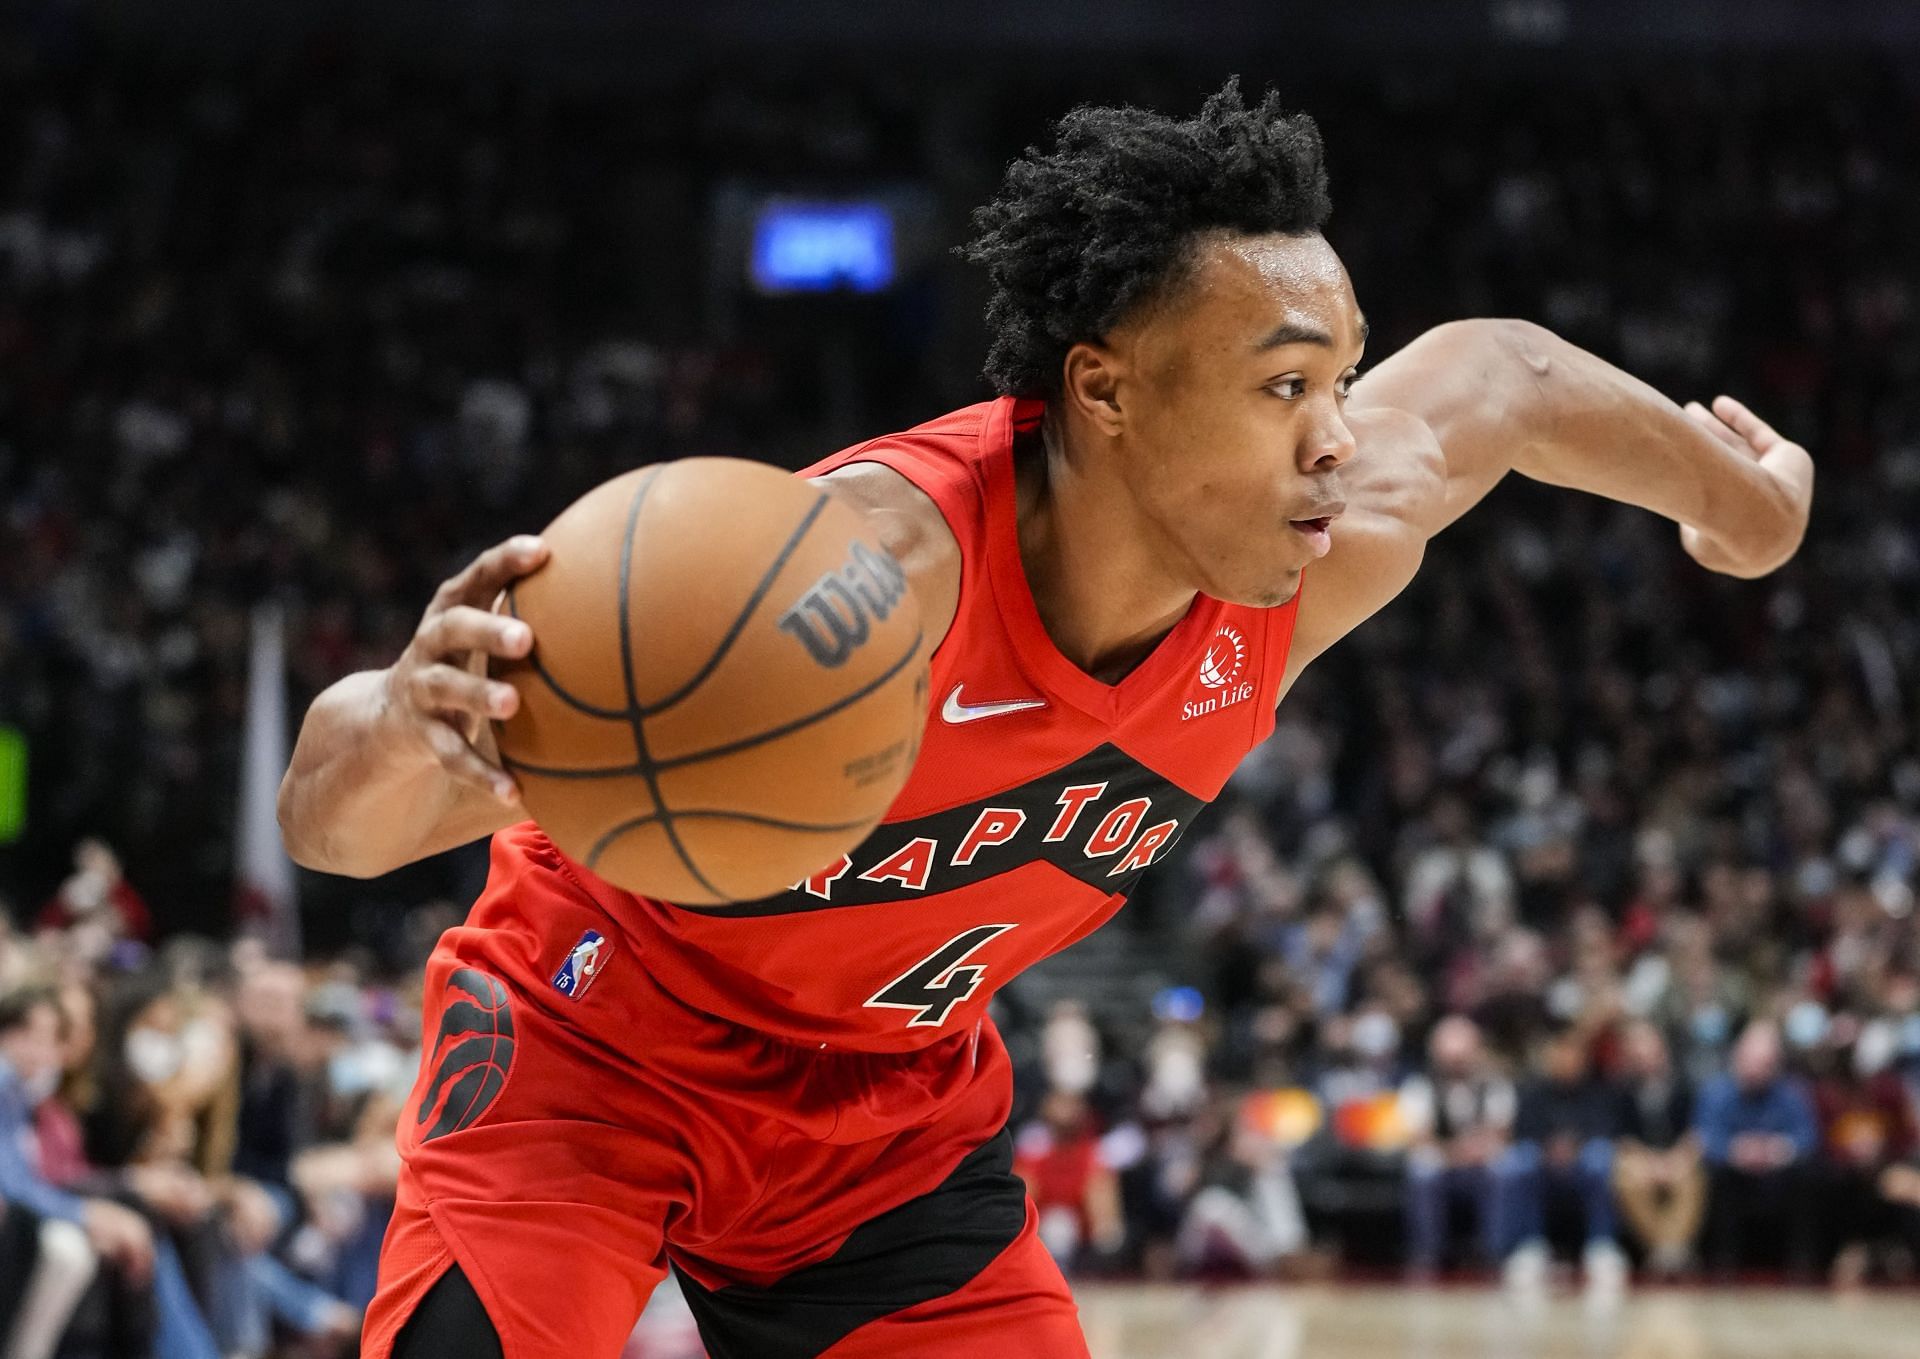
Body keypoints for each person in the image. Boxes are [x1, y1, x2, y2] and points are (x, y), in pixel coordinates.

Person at [278, 82, 1813, 1358]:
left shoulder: (1321, 540)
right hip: (595, 1052)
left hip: (885, 1119)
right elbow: (332, 825)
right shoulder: (857, 584)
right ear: (1108, 390)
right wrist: (417, 713)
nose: (1337, 436)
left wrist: (1745, 504)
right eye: (1286, 386)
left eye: (1340, 376)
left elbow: (1510, 376)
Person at [1497, 1029, 1628, 1293]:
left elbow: (1606, 1130)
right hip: (1542, 1162)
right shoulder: (1532, 1091)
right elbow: (1523, 1131)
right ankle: (1530, 1246)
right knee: (1518, 1161)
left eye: (1573, 1054)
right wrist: (1549, 1148)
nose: (1567, 1060)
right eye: (1561, 1053)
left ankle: (1601, 1246)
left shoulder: (1598, 1090)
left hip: (1583, 1162)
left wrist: (1574, 1147)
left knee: (1601, 1157)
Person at [1695, 1019, 1820, 1277]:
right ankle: (1722, 1261)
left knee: (1811, 1174)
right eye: (1749, 1061)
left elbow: (1808, 1137)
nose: (1754, 1070)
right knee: (1713, 1174)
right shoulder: (1716, 1092)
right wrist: (1736, 1151)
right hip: (1734, 1177)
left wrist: (1778, 1150)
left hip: (1778, 1178)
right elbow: (1705, 1137)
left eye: (1763, 1064)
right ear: (1737, 1058)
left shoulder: (1792, 1093)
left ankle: (1802, 1262)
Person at [1399, 1016, 1516, 1276]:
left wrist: (1475, 1149)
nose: (1456, 1065)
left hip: (1480, 1162)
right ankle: (1427, 1253)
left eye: (1462, 1058)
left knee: (1505, 1168)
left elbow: (1501, 1132)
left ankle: (1494, 1252)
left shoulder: (1494, 1084)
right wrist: (1455, 1152)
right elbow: (1419, 1137)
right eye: (1450, 1059)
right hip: (1443, 1162)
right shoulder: (1420, 1086)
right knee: (1422, 1170)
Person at [1610, 1020, 1704, 1278]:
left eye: (1648, 1046)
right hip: (1640, 1157)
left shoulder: (1685, 1084)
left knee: (1690, 1177)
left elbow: (1694, 1132)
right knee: (1628, 1178)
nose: (1642, 1054)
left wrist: (1674, 1160)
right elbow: (1621, 1137)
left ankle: (1670, 1251)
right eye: (1636, 1048)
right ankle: (1666, 1249)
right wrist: (1649, 1162)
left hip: (1677, 1156)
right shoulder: (1621, 1089)